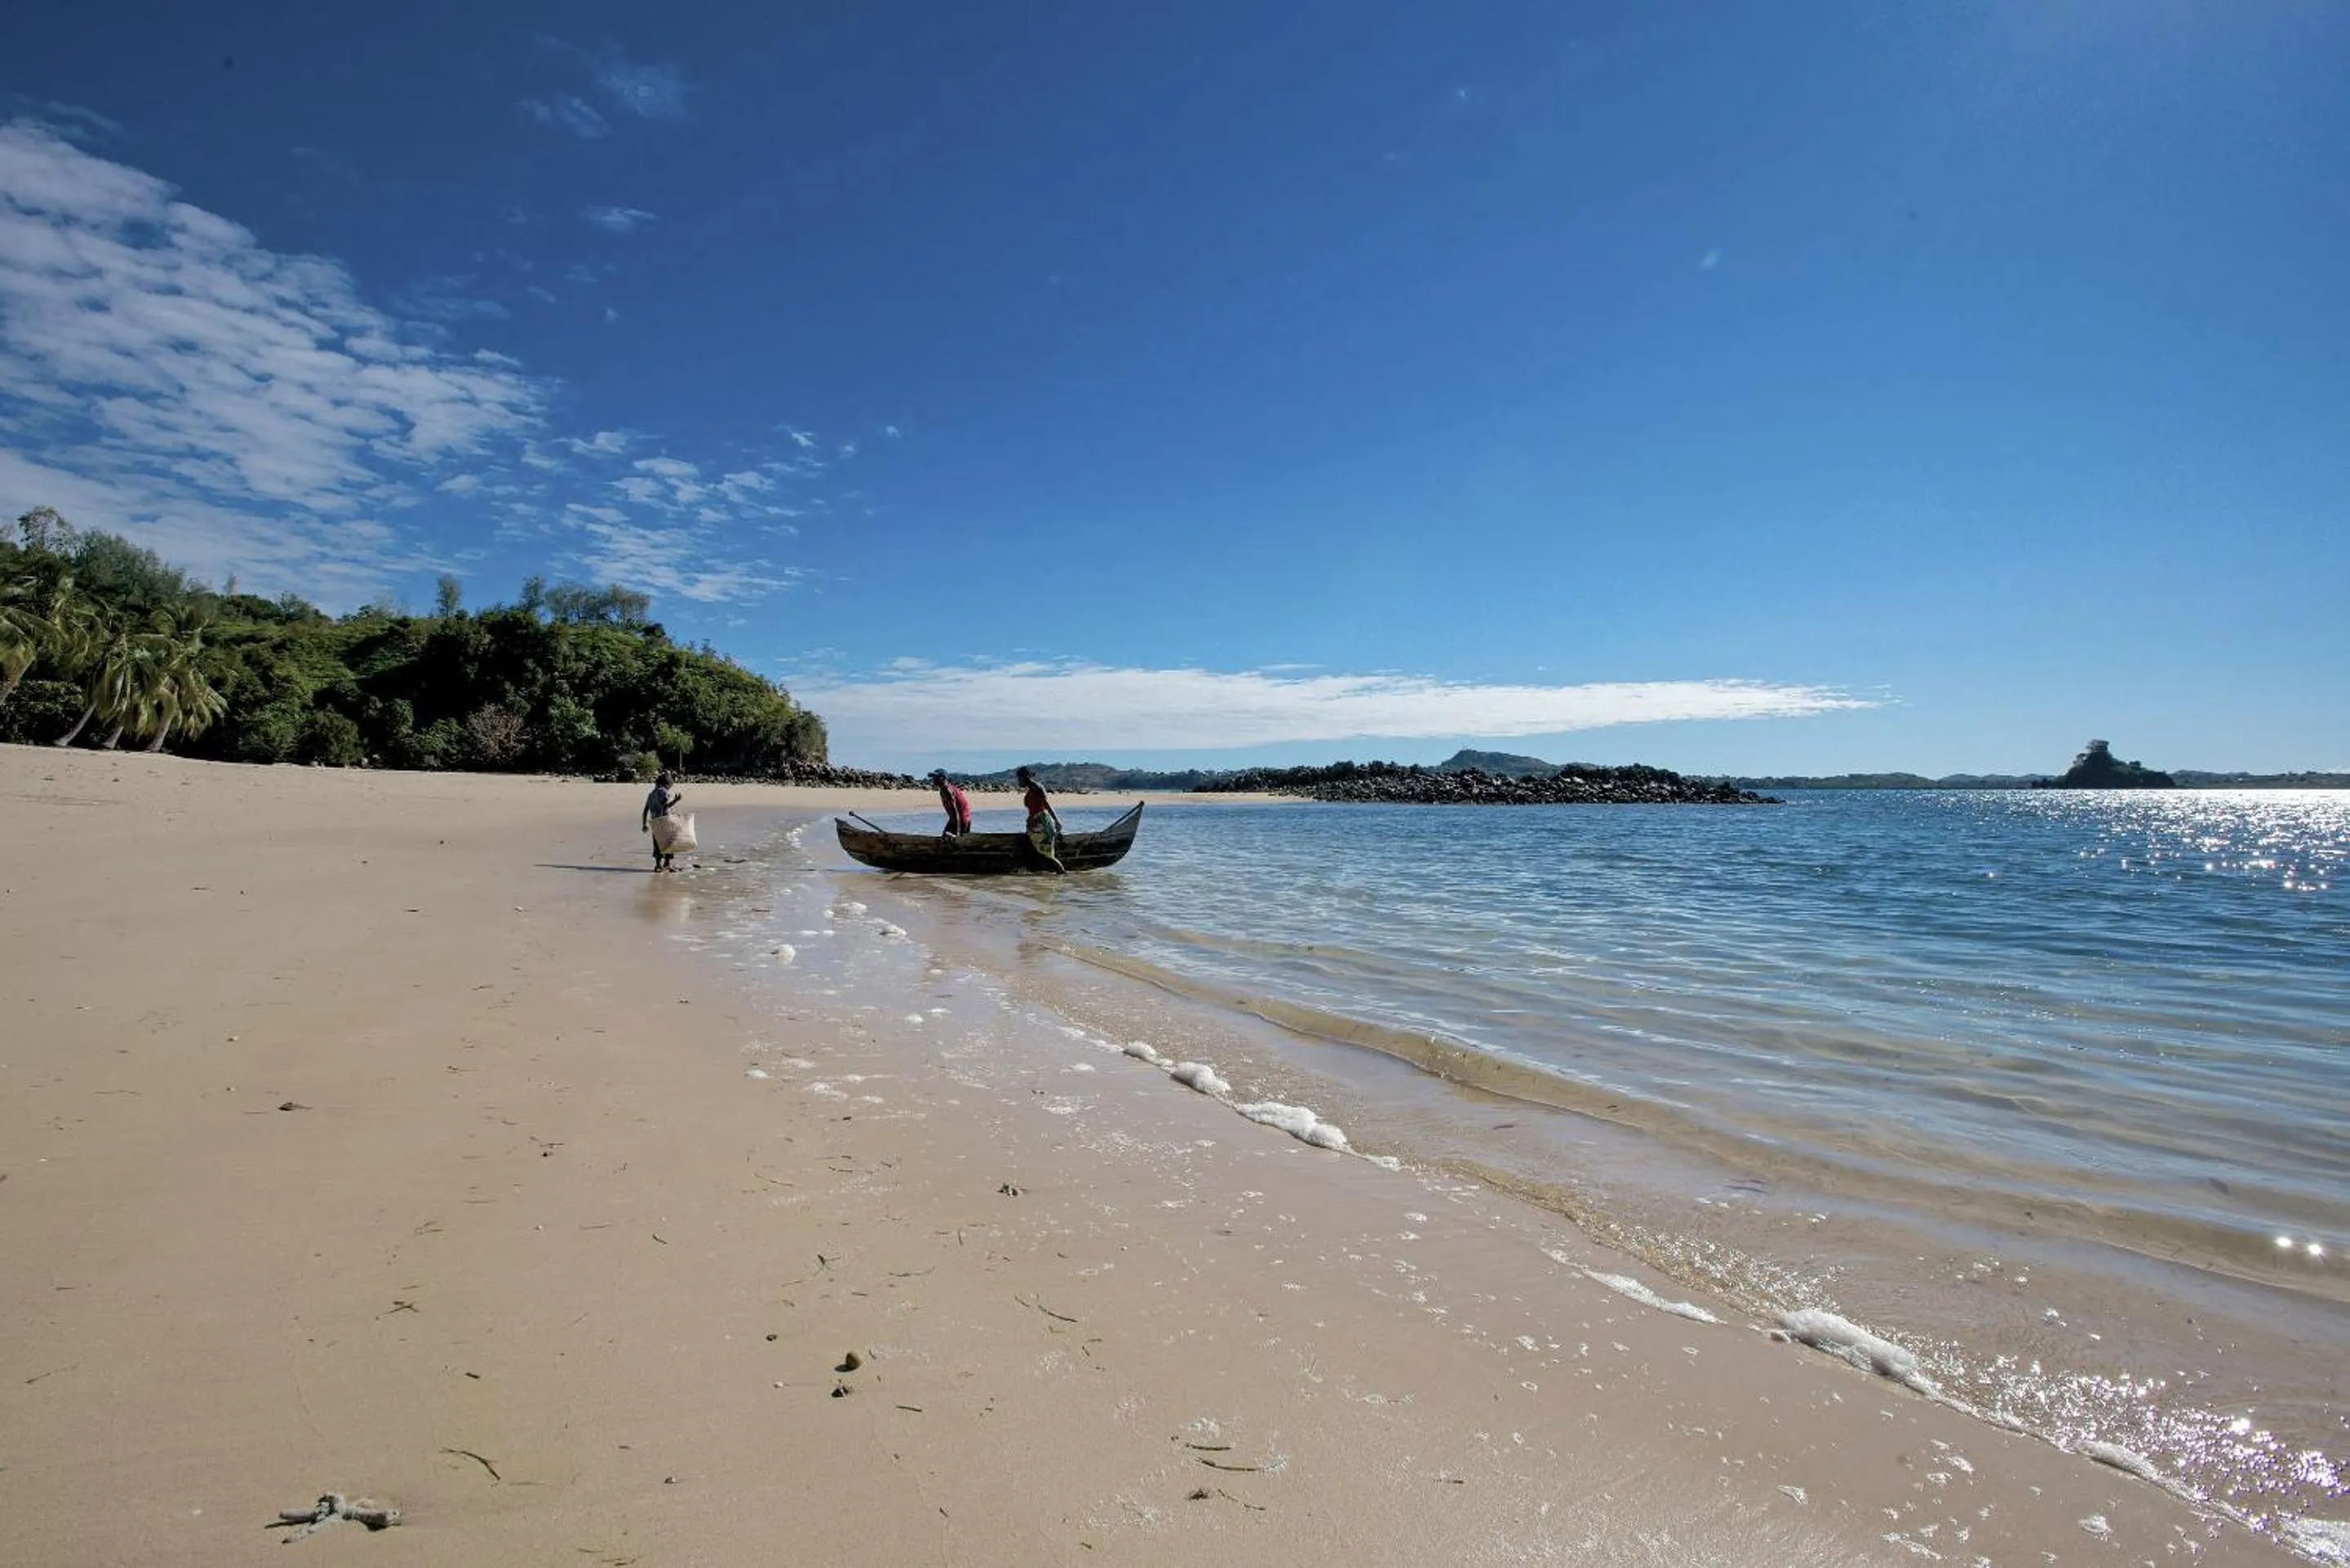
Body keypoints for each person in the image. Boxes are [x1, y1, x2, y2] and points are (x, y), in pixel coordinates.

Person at [1015, 764, 1066, 873]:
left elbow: (1046, 804)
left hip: (1041, 825)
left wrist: (1057, 821)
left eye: (1019, 779)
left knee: (1048, 855)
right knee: (1032, 850)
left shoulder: (1036, 788)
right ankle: (1033, 872)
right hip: (1036, 824)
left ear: (1025, 778)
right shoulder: (1032, 788)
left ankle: (1062, 874)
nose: (1018, 782)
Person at [641, 771, 684, 872]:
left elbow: (646, 809)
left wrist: (644, 824)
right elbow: (665, 806)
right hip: (665, 821)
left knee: (657, 844)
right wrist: (676, 800)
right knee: (669, 843)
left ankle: (658, 865)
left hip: (655, 822)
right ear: (667, 783)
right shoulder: (663, 791)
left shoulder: (651, 794)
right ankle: (667, 864)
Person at [929, 768, 972, 838]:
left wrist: (958, 833)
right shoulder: (945, 789)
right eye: (933, 777)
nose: (933, 779)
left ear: (942, 778)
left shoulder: (947, 791)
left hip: (961, 820)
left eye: (935, 777)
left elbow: (955, 811)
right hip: (955, 820)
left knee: (950, 842)